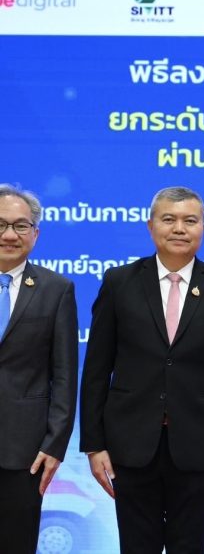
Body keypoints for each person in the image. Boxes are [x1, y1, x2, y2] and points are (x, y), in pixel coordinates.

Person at [80, 186, 204, 554]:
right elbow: (96, 369)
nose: (179, 228)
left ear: (203, 228)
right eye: (169, 219)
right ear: (150, 226)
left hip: (199, 448)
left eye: (190, 221)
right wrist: (94, 444)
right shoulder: (119, 282)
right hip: (129, 445)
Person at [0, 184, 78, 554]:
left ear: (35, 234)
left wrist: (55, 444)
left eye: (20, 226)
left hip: (24, 449)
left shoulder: (55, 289)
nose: (9, 235)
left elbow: (64, 374)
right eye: (0, 225)